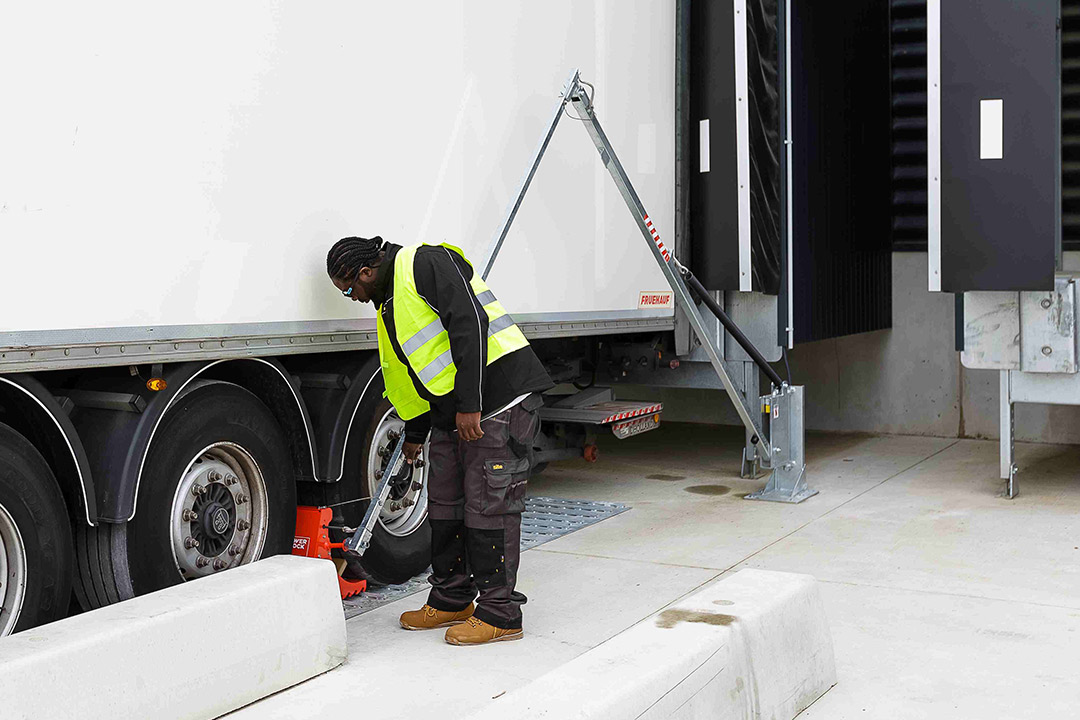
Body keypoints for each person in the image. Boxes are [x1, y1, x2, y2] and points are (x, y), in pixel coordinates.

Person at [327, 235, 552, 645]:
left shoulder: (424, 264)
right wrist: (415, 432)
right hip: (454, 412)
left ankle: (501, 613)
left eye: (348, 288)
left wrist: (472, 403)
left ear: (364, 272)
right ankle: (453, 598)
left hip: (497, 398)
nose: (351, 297)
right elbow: (408, 372)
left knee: (489, 507)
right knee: (445, 504)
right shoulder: (388, 303)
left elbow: (470, 324)